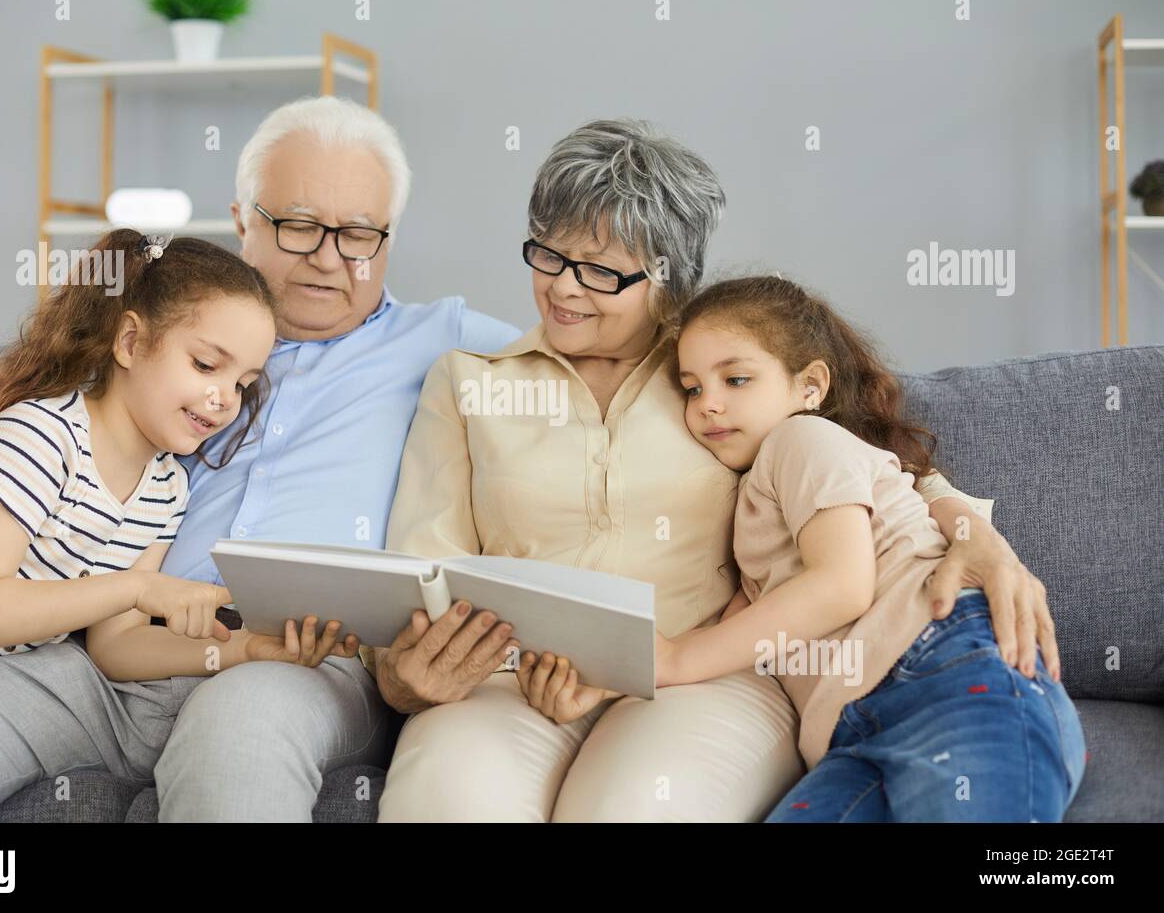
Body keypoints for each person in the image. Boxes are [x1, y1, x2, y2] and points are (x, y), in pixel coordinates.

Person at [370, 119, 1056, 822]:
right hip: (510, 680)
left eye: (601, 270)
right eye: (547, 254)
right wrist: (403, 676)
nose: (563, 287)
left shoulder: (721, 377)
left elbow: (876, 465)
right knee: (445, 804)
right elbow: (415, 583)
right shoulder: (466, 381)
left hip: (705, 675)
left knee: (636, 810)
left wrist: (981, 539)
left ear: (668, 279)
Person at [0, 96, 520, 822]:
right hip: (111, 650)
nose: (331, 256)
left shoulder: (449, 336)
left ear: (388, 238)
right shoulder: (142, 361)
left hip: (293, 660)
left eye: (360, 233)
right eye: (300, 224)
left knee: (233, 745)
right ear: (242, 219)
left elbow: (606, 356)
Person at [654, 275, 1083, 821]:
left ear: (810, 386)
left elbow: (841, 586)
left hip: (943, 668)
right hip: (851, 728)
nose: (708, 405)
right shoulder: (761, 497)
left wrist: (675, 659)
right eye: (692, 389)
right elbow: (744, 629)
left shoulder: (801, 439)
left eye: (735, 379)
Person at [0, 229, 283, 701]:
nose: (224, 399)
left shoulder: (165, 492)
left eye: (243, 384)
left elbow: (118, 646)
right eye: (206, 365)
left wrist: (245, 648)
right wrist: (136, 587)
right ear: (129, 341)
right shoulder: (41, 439)